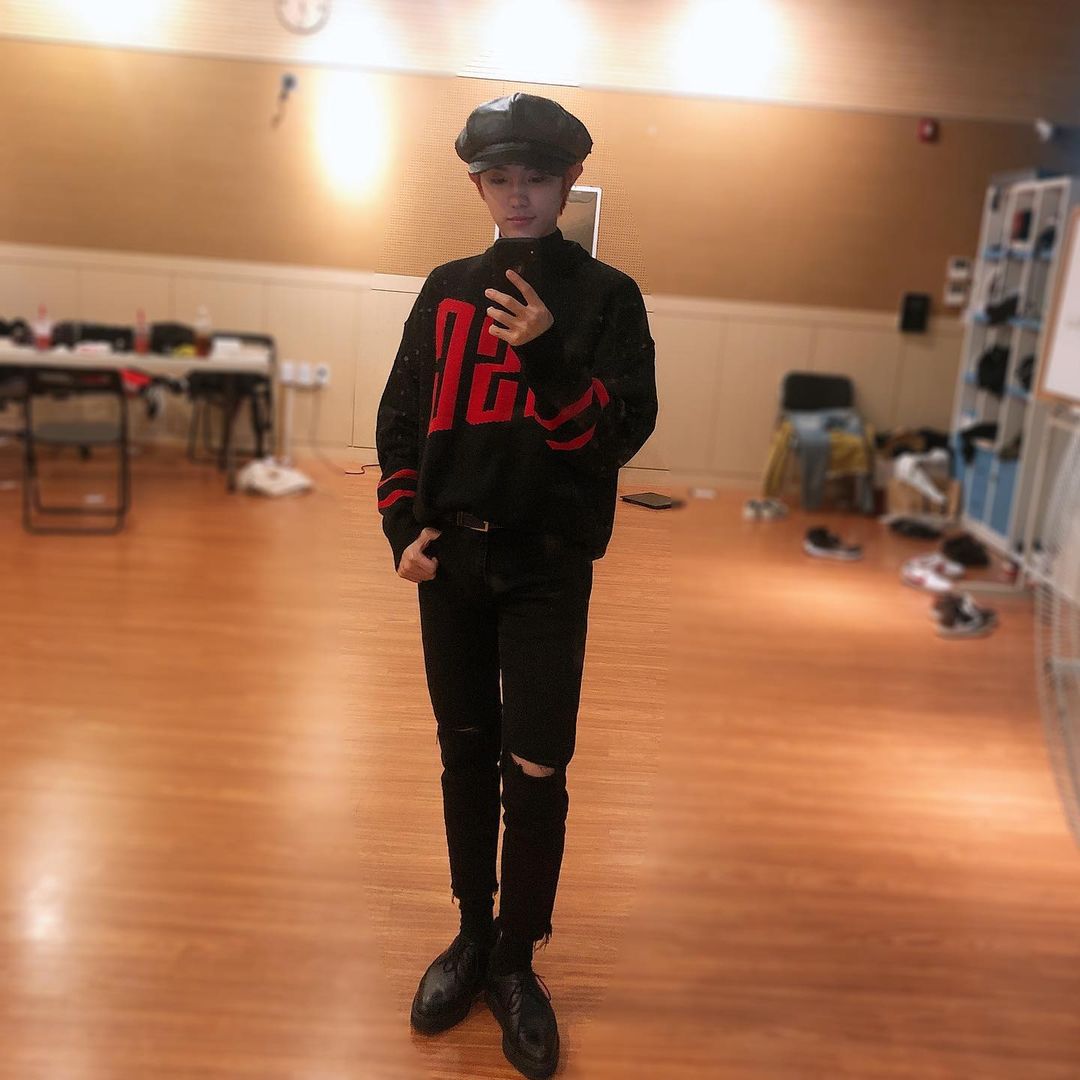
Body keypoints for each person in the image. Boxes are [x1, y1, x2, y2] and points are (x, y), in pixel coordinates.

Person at [375, 92, 657, 1079]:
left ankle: (514, 959)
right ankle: (470, 930)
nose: (519, 194)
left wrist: (544, 354)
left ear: (569, 180)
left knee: (535, 766)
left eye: (537, 176)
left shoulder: (608, 296)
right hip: (450, 561)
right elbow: (400, 417)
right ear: (478, 187)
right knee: (464, 750)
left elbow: (614, 439)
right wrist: (403, 527)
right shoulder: (446, 287)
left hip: (547, 566)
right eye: (500, 178)